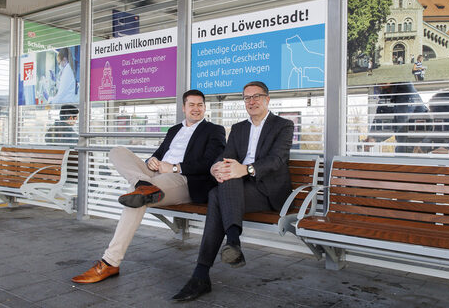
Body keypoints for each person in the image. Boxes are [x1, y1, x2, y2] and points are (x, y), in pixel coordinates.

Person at [71, 89, 226, 284]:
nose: (196, 109)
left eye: (200, 105)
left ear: (204, 108)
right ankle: (143, 185)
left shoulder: (214, 130)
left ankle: (110, 262)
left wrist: (176, 167)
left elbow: (211, 162)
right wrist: (152, 160)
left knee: (137, 199)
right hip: (155, 176)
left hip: (183, 180)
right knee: (117, 151)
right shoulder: (174, 130)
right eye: (192, 105)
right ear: (184, 108)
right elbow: (157, 155)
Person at [172, 81, 294, 302]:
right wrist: (215, 168)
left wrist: (245, 169)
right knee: (223, 183)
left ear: (267, 99)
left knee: (217, 194)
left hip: (268, 191)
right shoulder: (239, 128)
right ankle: (231, 246)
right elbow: (225, 156)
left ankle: (204, 271)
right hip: (239, 188)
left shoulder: (283, 125)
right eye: (247, 98)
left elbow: (277, 160)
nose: (252, 101)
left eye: (257, 96)